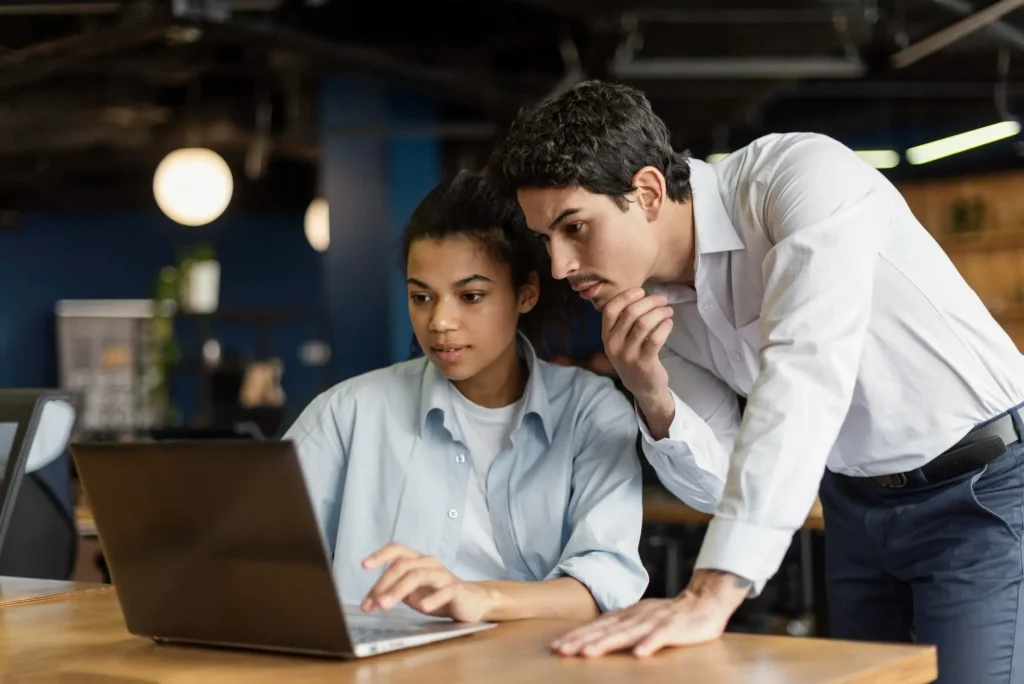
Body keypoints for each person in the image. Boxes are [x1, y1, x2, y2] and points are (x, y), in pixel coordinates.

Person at [487, 80, 1024, 682]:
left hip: (982, 487)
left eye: (575, 228)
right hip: (854, 504)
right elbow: (723, 489)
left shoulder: (801, 180)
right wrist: (650, 392)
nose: (560, 266)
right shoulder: (645, 303)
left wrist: (711, 594)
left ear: (646, 191)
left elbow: (805, 372)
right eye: (545, 240)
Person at [282, 170, 648, 624]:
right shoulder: (348, 412)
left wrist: (480, 598)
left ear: (526, 293)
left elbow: (607, 581)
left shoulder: (590, 413)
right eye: (421, 297)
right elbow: (256, 554)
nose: (440, 322)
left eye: (470, 295)